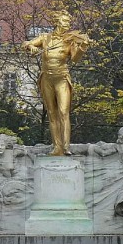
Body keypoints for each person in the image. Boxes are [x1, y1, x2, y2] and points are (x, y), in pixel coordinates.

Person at [22, 10, 90, 155]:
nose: (67, 25)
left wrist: (83, 47)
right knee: (52, 113)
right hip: (46, 78)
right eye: (65, 22)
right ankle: (57, 147)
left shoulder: (69, 40)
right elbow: (26, 43)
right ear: (57, 22)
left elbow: (75, 59)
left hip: (61, 78)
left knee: (63, 111)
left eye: (68, 23)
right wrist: (31, 47)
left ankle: (66, 147)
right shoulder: (45, 38)